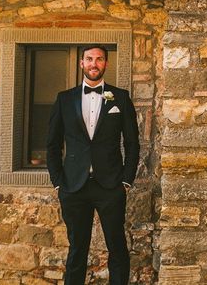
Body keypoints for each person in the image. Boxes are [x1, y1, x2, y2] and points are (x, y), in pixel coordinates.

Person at [46, 45, 140, 285]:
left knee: (117, 246)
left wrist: (126, 180)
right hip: (73, 186)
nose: (94, 64)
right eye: (89, 59)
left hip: (110, 186)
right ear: (81, 63)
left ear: (106, 64)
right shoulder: (64, 99)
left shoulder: (120, 97)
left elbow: (132, 143)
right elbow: (52, 144)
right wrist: (58, 182)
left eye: (99, 59)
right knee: (77, 249)